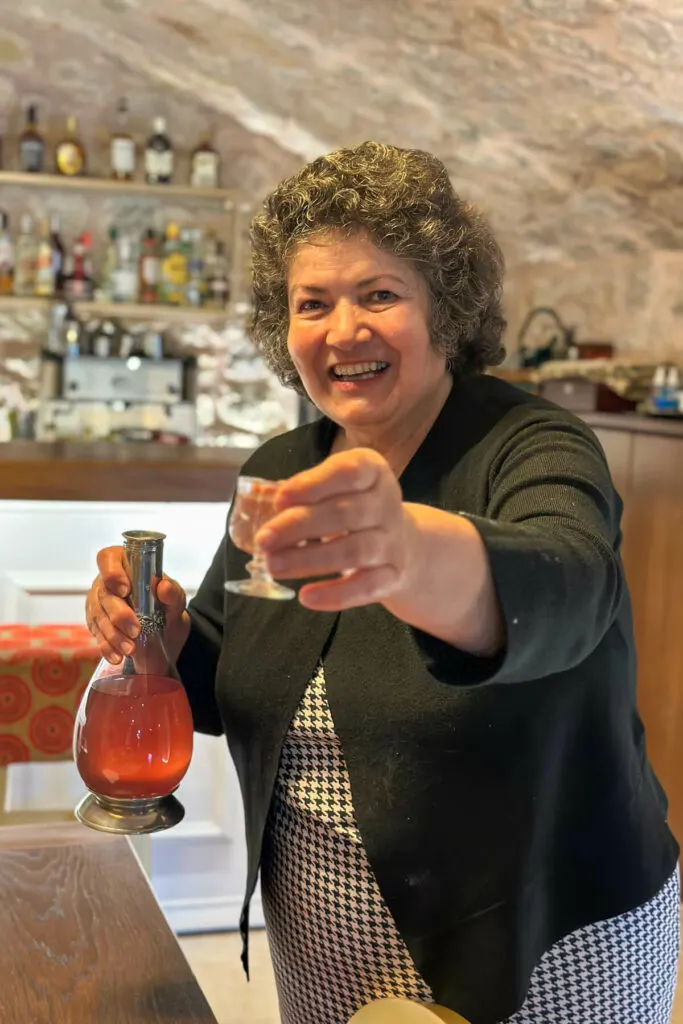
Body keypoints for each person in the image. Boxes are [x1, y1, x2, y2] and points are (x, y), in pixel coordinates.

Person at [86, 142, 680, 1024]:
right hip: (326, 939)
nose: (342, 329)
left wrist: (403, 551)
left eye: (380, 294)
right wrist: (158, 638)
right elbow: (221, 668)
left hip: (539, 939)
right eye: (311, 303)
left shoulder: (534, 445)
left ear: (445, 308)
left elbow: (566, 590)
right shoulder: (282, 467)